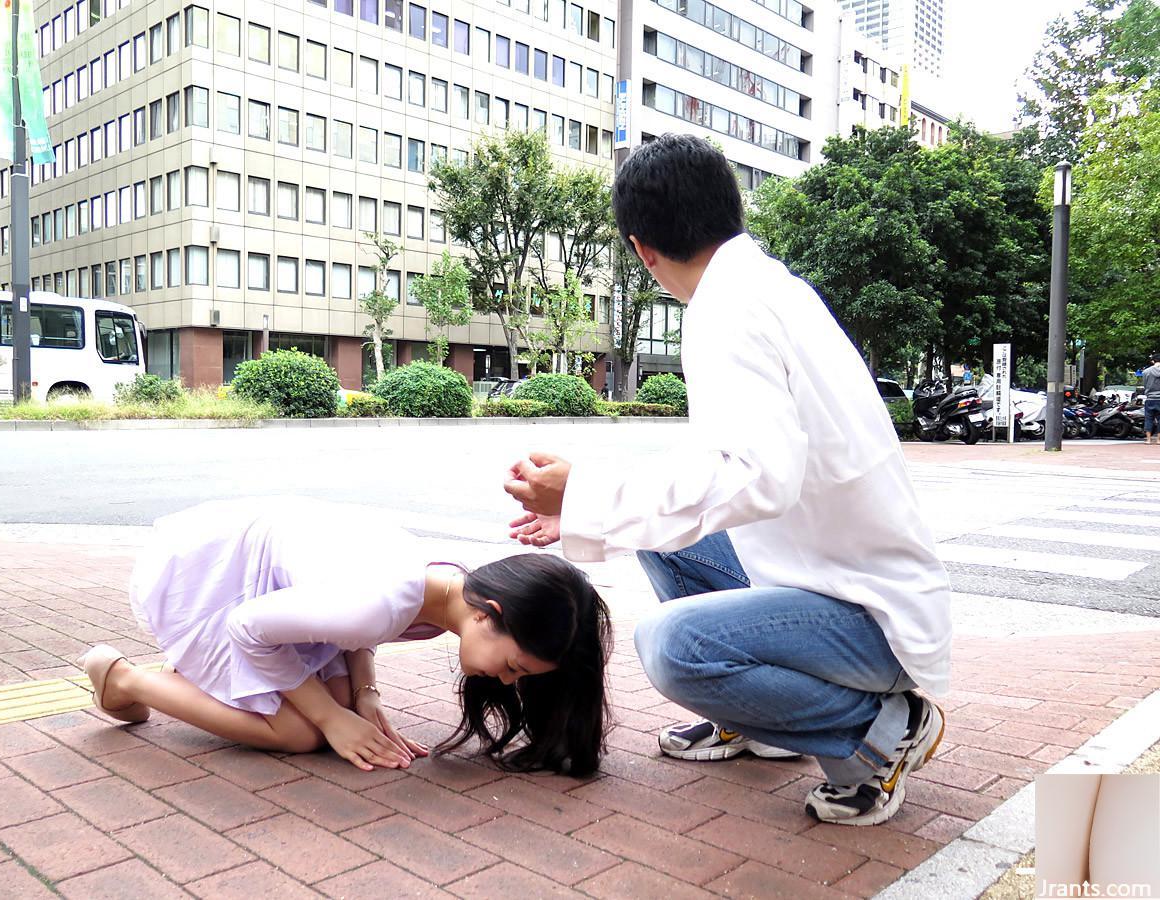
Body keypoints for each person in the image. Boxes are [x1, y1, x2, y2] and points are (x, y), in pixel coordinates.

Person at [505, 134, 952, 827]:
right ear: (728, 209)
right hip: (840, 580)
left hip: (869, 622)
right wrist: (594, 511)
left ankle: (878, 735)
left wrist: (587, 495)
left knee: (673, 646)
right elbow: (734, 474)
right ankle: (755, 722)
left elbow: (756, 479)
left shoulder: (726, 312)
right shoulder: (764, 286)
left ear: (641, 249)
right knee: (659, 538)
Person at [80, 497, 612, 776]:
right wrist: (332, 719)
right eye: (514, 666)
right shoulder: (380, 604)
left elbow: (356, 630)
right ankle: (125, 681)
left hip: (257, 575)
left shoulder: (450, 584)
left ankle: (198, 681)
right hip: (205, 581)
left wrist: (363, 694)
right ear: (490, 615)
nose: (504, 679)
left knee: (335, 711)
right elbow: (248, 629)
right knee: (302, 734)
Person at [1143, 352, 1160, 445]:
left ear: (1153, 361)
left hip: (1150, 399)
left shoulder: (1146, 372)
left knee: (1148, 419)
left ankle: (1148, 440)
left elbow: (1145, 385)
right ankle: (1158, 440)